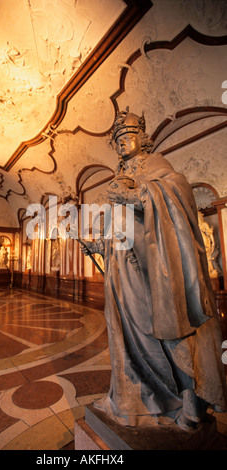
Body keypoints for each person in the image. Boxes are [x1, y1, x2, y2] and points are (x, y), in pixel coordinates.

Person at [81, 108, 226, 430]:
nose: (122, 143)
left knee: (164, 327)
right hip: (121, 268)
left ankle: (187, 400)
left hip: (155, 267)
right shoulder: (119, 173)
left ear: (142, 139)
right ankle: (132, 398)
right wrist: (98, 245)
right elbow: (119, 230)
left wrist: (136, 195)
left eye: (128, 136)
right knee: (124, 332)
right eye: (117, 139)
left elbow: (178, 191)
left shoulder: (155, 164)